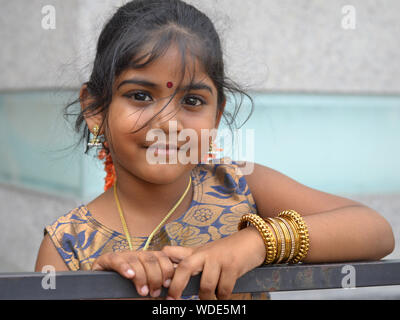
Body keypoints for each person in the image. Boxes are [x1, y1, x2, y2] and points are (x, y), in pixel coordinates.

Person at [34, 0, 395, 300]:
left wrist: (256, 242)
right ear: (96, 109)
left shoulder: (240, 185)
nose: (169, 123)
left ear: (216, 116)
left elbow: (376, 231)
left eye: (192, 100)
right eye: (140, 96)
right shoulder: (67, 245)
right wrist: (100, 288)